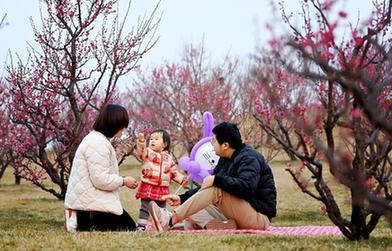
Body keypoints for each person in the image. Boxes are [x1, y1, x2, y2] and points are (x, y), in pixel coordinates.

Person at [148, 122, 277, 231]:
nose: (211, 145)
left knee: (216, 188)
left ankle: (169, 221)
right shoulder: (225, 158)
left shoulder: (249, 158)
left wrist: (216, 180)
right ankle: (223, 226)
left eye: (214, 141)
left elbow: (247, 187)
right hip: (237, 213)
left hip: (258, 217)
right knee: (194, 207)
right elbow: (206, 190)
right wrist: (181, 198)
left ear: (225, 145)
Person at [64, 104, 139, 232]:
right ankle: (81, 224)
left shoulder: (96, 139)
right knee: (129, 228)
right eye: (122, 125)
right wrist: (123, 180)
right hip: (89, 209)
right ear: (114, 124)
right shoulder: (98, 144)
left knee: (129, 226)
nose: (124, 129)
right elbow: (100, 179)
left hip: (89, 204)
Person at [134, 129, 187, 231]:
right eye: (151, 139)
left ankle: (159, 225)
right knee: (145, 207)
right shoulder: (148, 153)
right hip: (148, 185)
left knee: (161, 209)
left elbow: (174, 172)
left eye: (156, 139)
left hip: (162, 188)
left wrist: (181, 179)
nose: (152, 141)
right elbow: (141, 153)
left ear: (165, 144)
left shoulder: (168, 158)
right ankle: (141, 226)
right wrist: (141, 143)